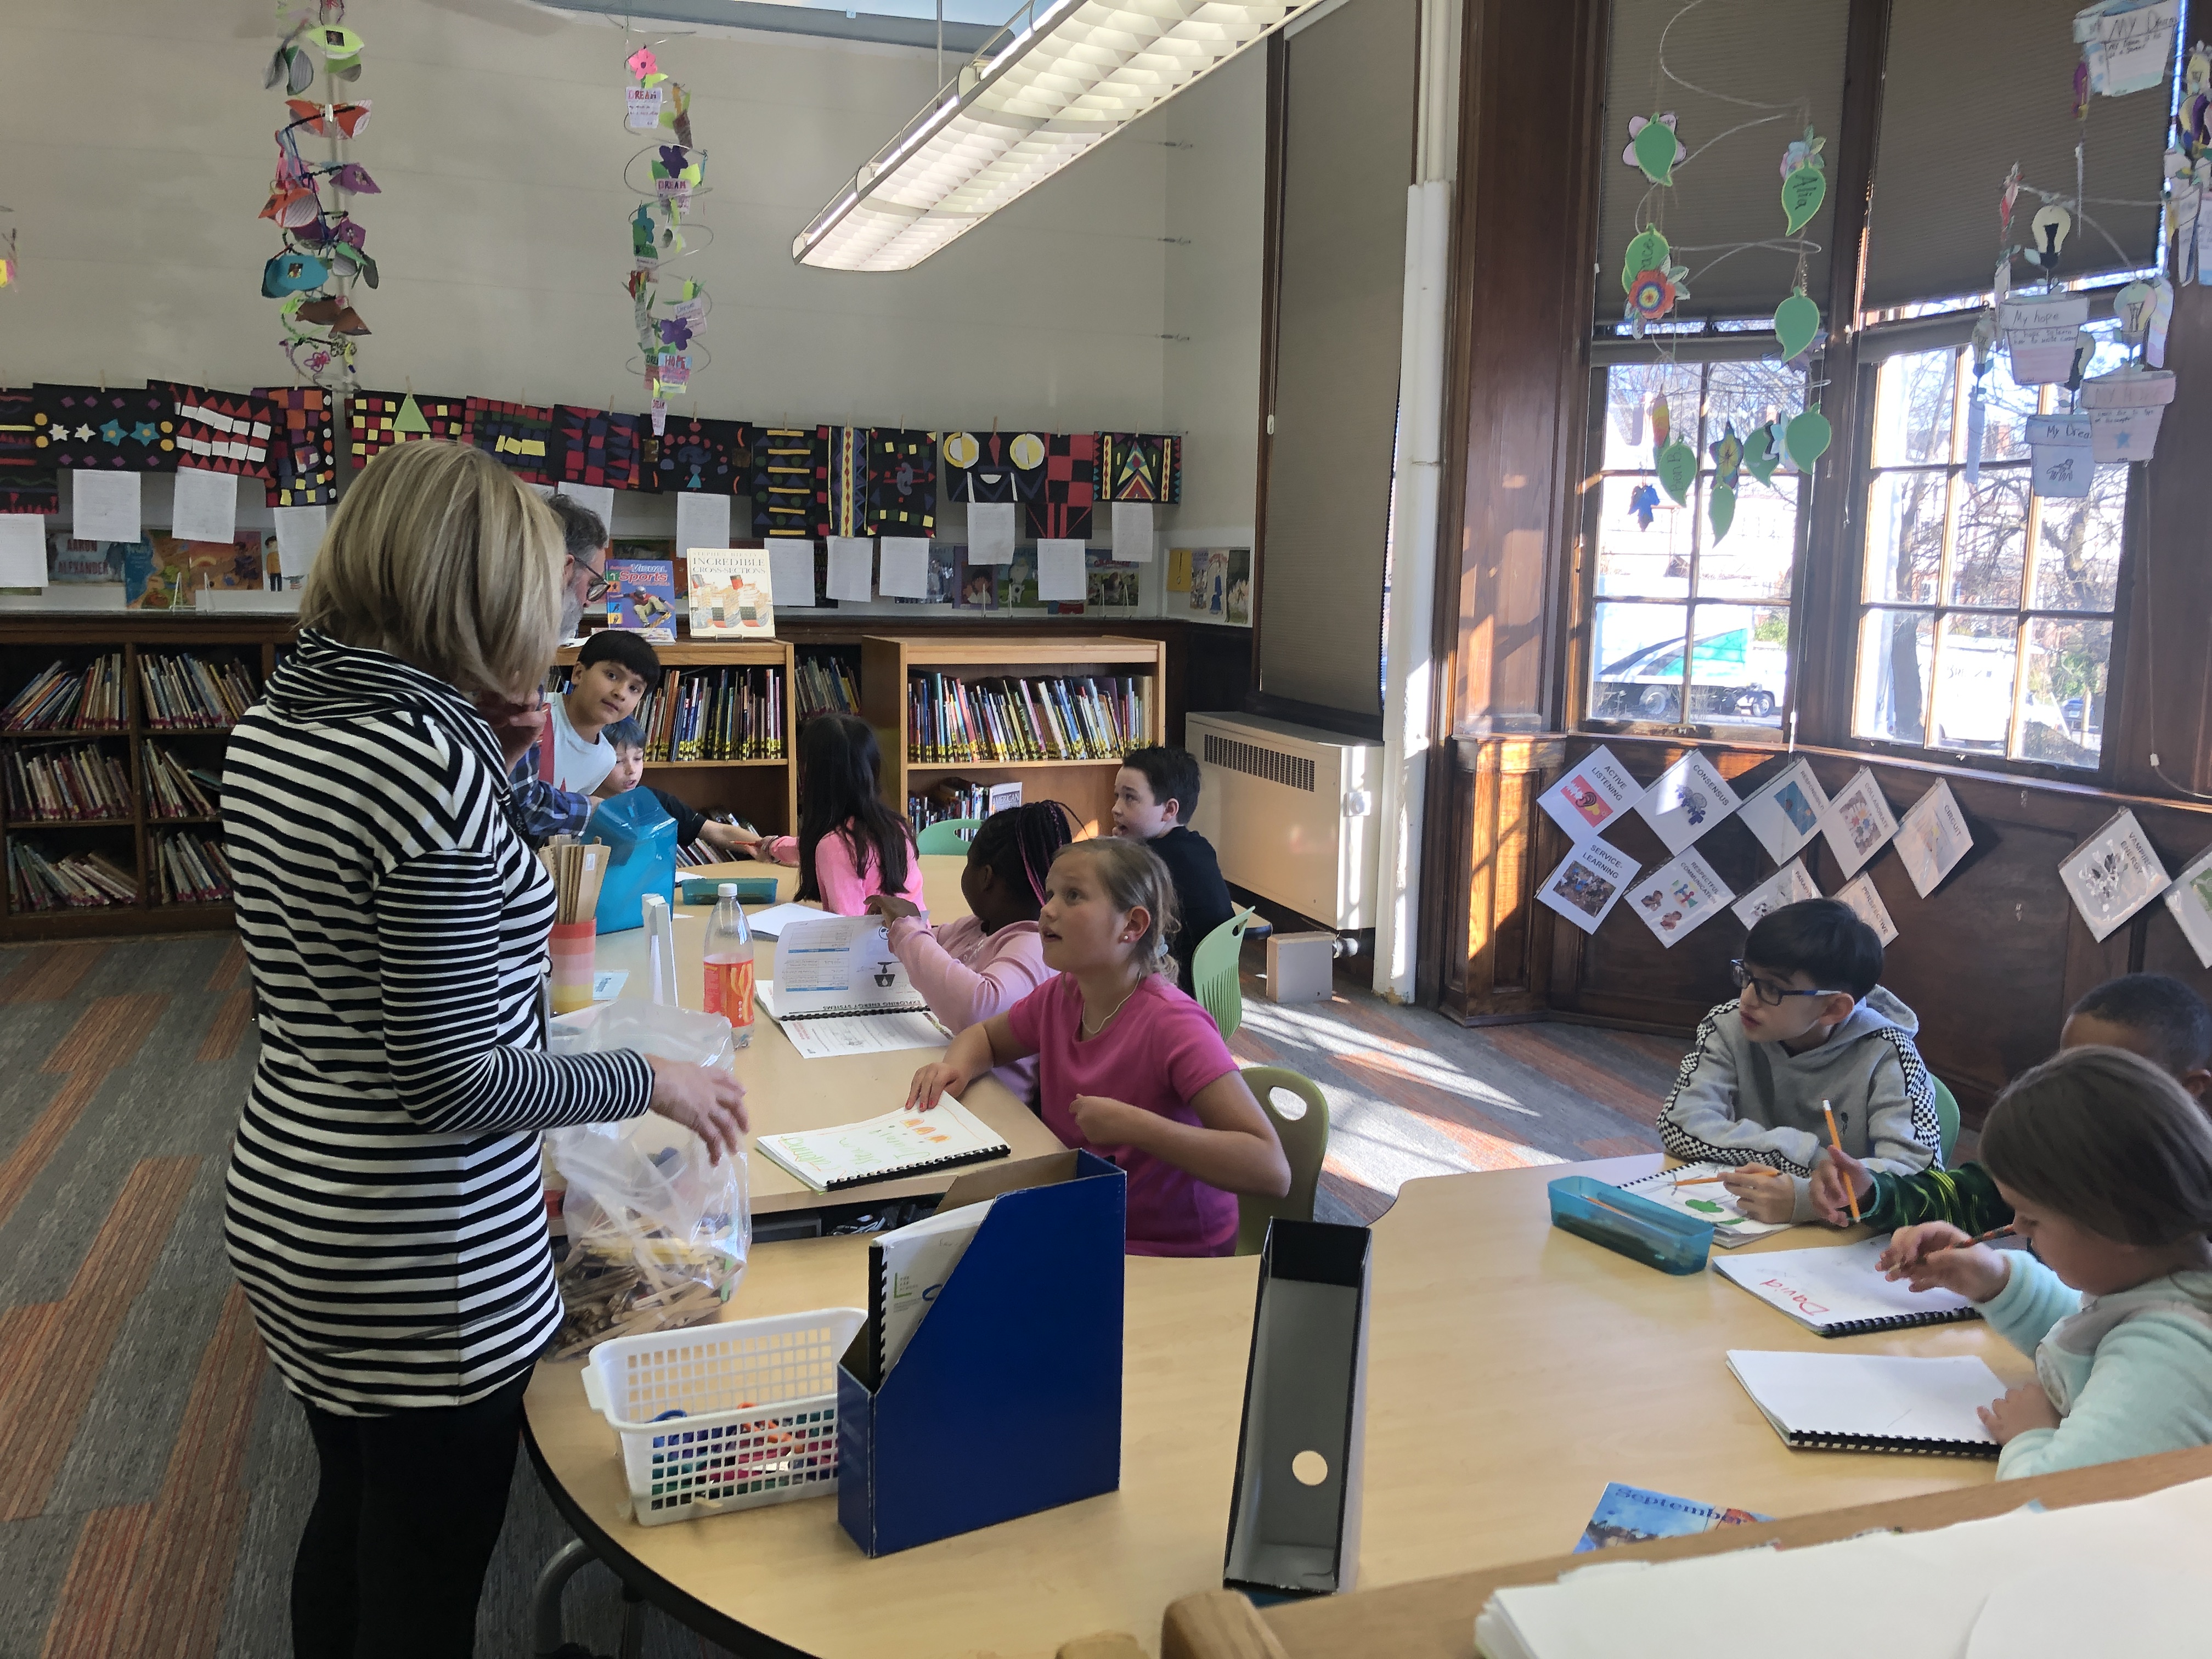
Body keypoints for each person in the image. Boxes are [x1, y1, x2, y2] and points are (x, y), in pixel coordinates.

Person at [219, 439, 749, 1659]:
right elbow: (458, 1076)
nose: (551, 619)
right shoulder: (425, 758)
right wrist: (647, 1075)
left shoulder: (292, 715)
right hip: (423, 1236)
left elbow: (375, 931)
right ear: (473, 581)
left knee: (353, 1513)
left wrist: (498, 759)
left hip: (299, 1185)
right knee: (426, 1570)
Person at [905, 838, 1289, 1256]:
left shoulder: (1175, 1026)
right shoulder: (1064, 994)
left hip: (1168, 1249)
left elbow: (1270, 1169)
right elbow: (985, 1038)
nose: (1047, 909)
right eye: (1050, 894)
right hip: (1087, 1216)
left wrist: (1136, 1127)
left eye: (1073, 896)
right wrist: (955, 1068)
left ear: (1132, 926)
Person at [1881, 1046, 2212, 1480]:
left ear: (2123, 1227)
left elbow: (2065, 1511)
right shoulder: (2163, 1278)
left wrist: (2031, 1436)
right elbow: (2091, 1335)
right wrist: (1996, 1281)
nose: (2017, 1226)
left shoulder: (2173, 1358)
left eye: (2033, 1218)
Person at [1810, 973, 2212, 1231]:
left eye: (2111, 1074)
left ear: (2190, 1087)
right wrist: (1872, 1192)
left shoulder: (2192, 1193)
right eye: (2068, 1066)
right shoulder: (2057, 1142)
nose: (2079, 1089)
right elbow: (1965, 1198)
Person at [1656, 897, 1939, 1224]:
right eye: (1747, 976)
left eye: (1771, 988)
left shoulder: (1890, 1053)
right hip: (1751, 1212)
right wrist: (1810, 1158)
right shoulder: (1727, 1024)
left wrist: (1806, 1197)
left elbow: (1921, 1181)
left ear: (1832, 1009)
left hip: (1848, 1236)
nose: (1746, 998)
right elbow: (1680, 1126)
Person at [865, 801, 1077, 1105]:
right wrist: (897, 931)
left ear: (985, 876)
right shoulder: (979, 927)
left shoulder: (1033, 944)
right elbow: (928, 947)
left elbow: (982, 1009)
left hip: (997, 1106)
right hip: (955, 1080)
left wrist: (908, 930)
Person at [475, 492, 614, 844]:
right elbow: (523, 805)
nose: (587, 600)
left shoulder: (485, 627)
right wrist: (596, 811)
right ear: (566, 569)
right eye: (593, 584)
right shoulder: (513, 655)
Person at [720, 712, 926, 914]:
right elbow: (813, 846)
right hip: (914, 941)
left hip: (869, 946)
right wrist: (774, 846)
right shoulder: (895, 827)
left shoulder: (835, 845)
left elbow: (847, 927)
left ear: (815, 777)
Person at [1111, 744, 1234, 994]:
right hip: (1212, 992)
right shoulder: (1199, 846)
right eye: (1117, 796)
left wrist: (1116, 851)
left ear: (1169, 810)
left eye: (1130, 797)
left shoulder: (1154, 862)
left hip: (1172, 991)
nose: (1116, 808)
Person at [525, 626, 659, 795]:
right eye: (612, 675)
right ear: (579, 674)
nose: (621, 693)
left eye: (634, 688)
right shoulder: (536, 711)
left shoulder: (606, 759)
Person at [596, 716, 755, 855]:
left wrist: (765, 845)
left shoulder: (652, 800)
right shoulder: (578, 806)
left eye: (638, 758)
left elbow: (717, 831)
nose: (632, 770)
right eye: (618, 761)